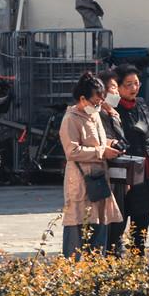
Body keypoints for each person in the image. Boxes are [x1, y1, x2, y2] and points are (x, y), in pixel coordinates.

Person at [104, 64, 149, 255]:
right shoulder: (111, 109)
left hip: (144, 168)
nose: (133, 88)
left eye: (136, 83)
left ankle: (138, 256)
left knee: (142, 216)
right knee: (119, 219)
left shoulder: (142, 104)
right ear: (117, 87)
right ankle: (114, 257)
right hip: (122, 170)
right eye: (128, 84)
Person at [59, 70, 121, 258]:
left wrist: (111, 144)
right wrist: (102, 152)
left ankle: (95, 271)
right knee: (78, 227)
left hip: (99, 179)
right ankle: (74, 273)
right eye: (95, 102)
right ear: (83, 99)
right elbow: (72, 151)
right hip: (80, 180)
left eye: (101, 101)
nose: (98, 105)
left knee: (99, 225)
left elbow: (97, 143)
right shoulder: (71, 118)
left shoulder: (94, 116)